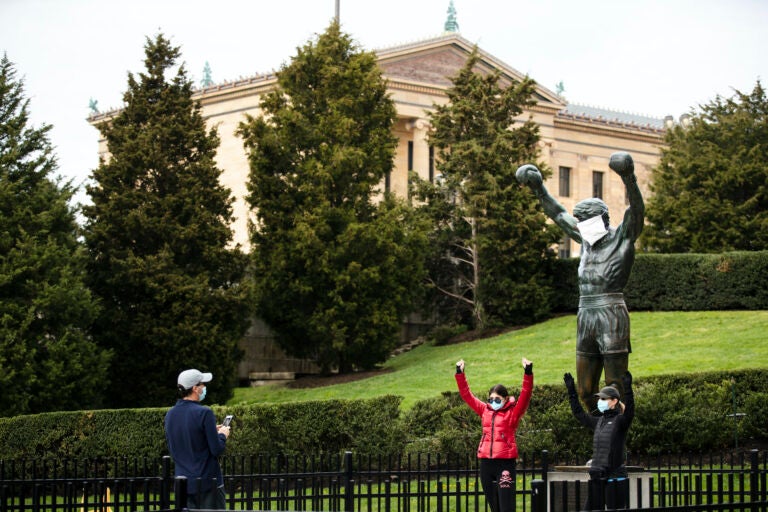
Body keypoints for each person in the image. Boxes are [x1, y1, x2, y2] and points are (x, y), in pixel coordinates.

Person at [516, 152, 643, 409]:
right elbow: (558, 214)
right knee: (586, 391)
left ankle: (618, 439)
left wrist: (628, 178)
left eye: (586, 222)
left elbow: (637, 210)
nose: (581, 226)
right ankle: (599, 436)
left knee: (615, 386)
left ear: (602, 220)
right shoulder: (585, 239)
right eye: (580, 222)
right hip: (586, 313)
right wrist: (538, 187)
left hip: (611, 311)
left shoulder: (623, 238)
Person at [455, 357, 533, 512]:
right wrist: (460, 373)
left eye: (497, 399)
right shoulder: (485, 410)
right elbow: (467, 395)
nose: (493, 401)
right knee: (494, 506)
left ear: (505, 399)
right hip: (486, 464)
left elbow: (525, 395)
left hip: (505, 464)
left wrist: (528, 373)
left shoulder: (513, 413)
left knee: (506, 507)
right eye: (490, 398)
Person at [564, 371, 634, 510]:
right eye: (599, 399)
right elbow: (579, 414)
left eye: (603, 399)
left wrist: (628, 389)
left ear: (614, 401)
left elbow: (630, 412)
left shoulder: (620, 421)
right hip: (597, 476)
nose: (600, 402)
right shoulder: (598, 421)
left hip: (615, 477)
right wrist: (571, 391)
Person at [165, 369, 231, 510]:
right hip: (207, 482)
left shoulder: (170, 414)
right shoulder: (204, 412)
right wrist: (223, 434)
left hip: (182, 483)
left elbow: (176, 445)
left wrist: (210, 430)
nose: (204, 387)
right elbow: (217, 449)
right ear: (195, 388)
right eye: (202, 384)